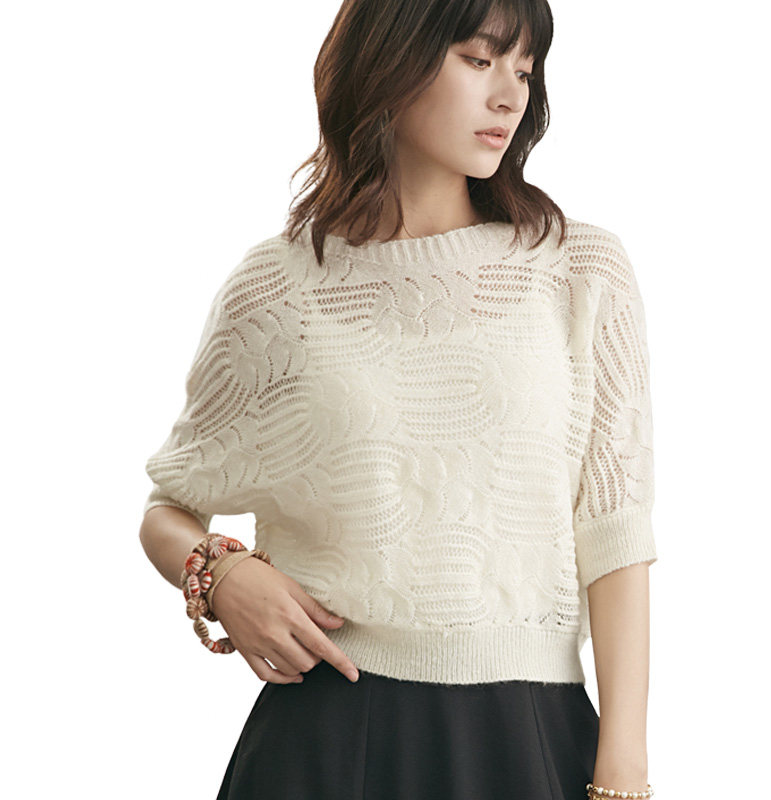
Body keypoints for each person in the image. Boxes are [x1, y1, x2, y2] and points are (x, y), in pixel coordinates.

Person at [138, 1, 658, 799]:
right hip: (323, 737)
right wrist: (224, 575)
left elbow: (614, 530)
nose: (510, 96)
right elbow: (170, 505)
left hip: (528, 736)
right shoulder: (278, 289)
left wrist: (624, 769)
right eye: (479, 60)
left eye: (524, 71)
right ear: (391, 58)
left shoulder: (577, 269)